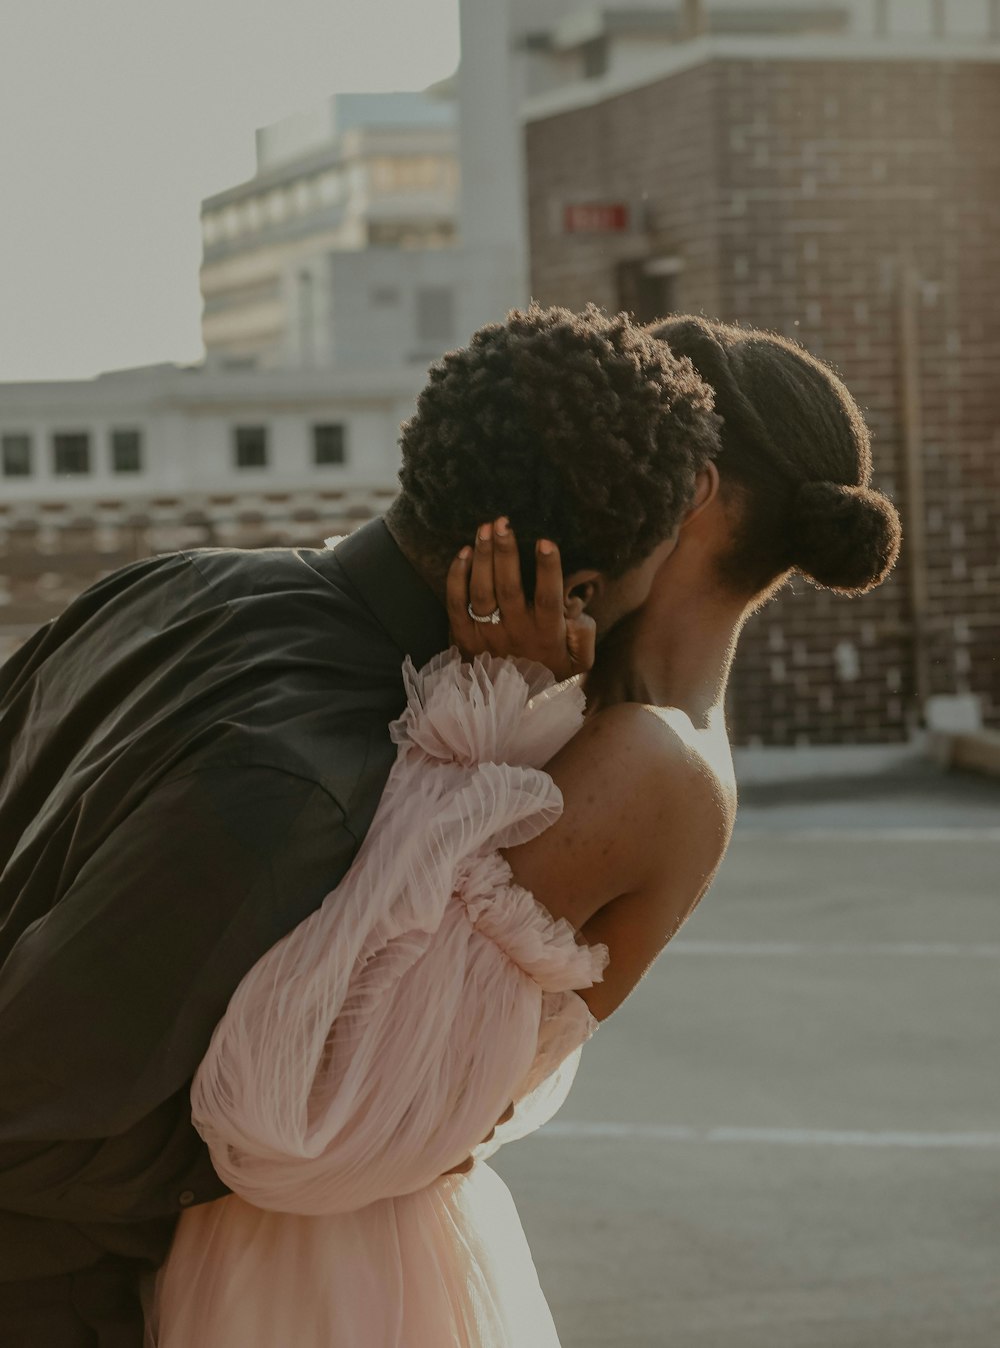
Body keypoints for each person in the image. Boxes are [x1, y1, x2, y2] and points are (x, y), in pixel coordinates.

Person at [144, 315, 901, 1346]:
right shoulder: (612, 703)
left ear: (689, 489)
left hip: (322, 1272)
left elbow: (319, 1062)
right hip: (318, 1242)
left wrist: (497, 696)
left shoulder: (646, 761)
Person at [0, 304, 719, 1346]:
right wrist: (356, 1135)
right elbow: (36, 1118)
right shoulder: (307, 785)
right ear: (571, 587)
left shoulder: (172, 584)